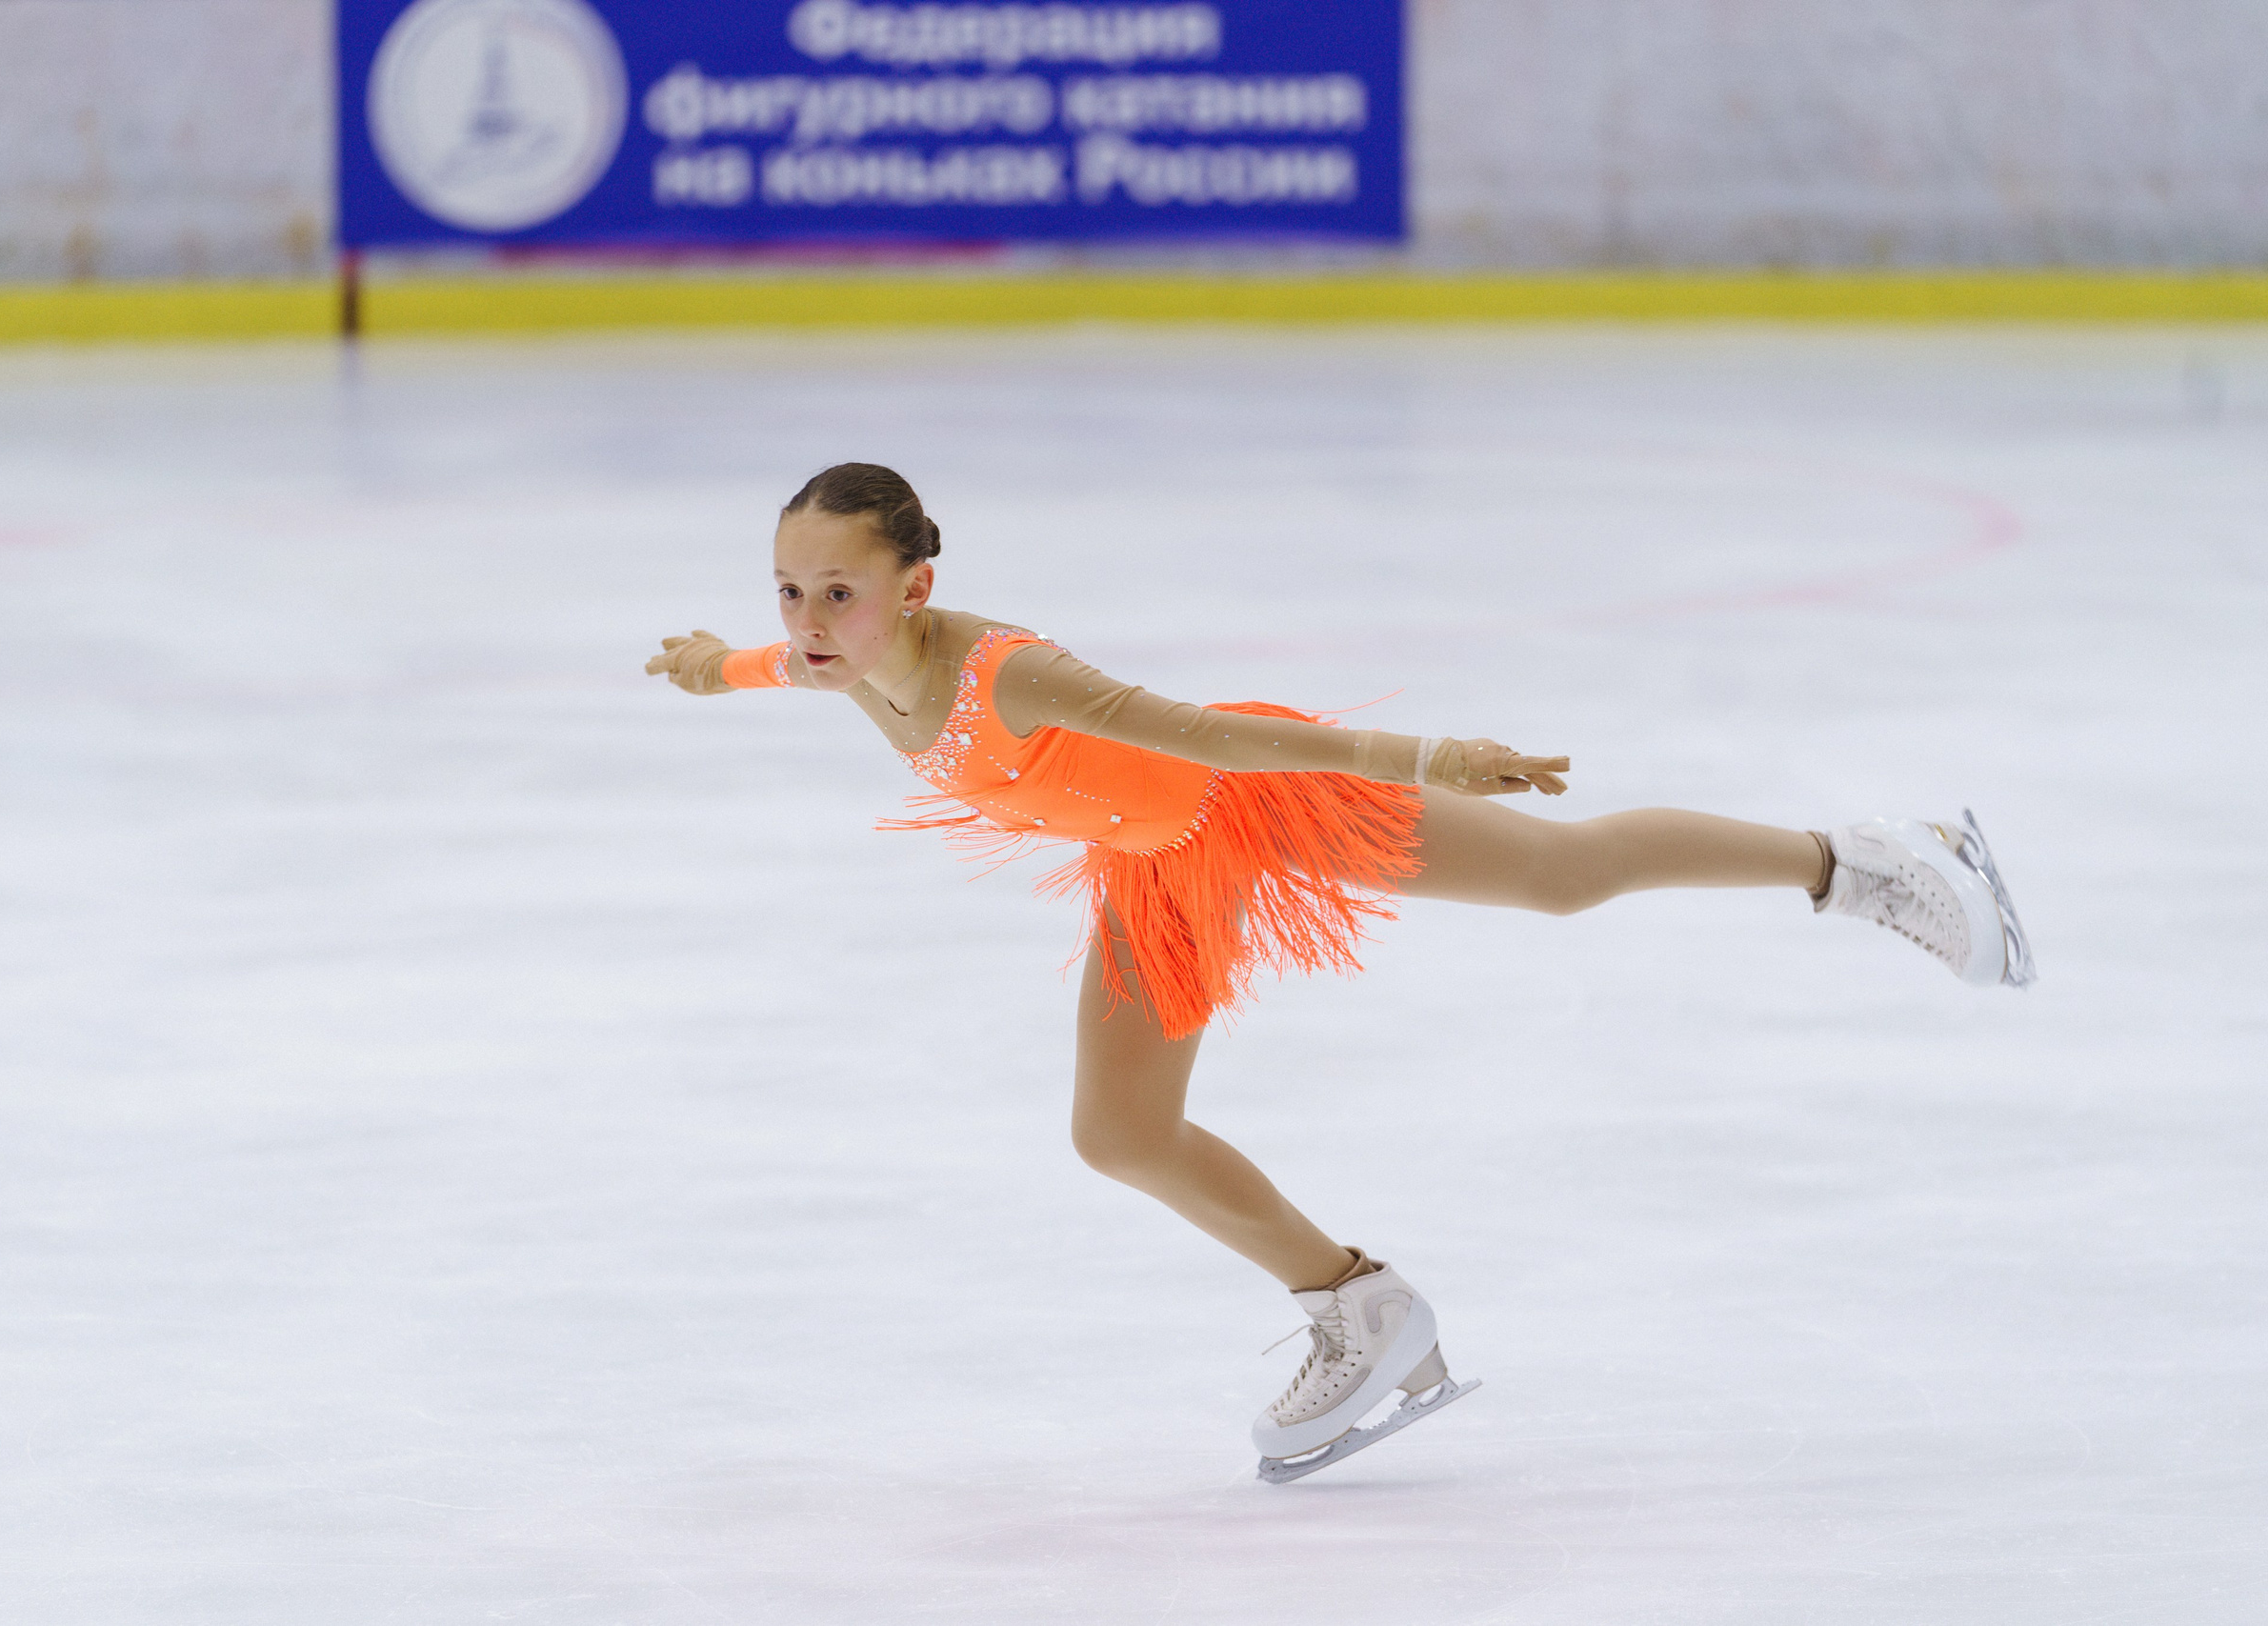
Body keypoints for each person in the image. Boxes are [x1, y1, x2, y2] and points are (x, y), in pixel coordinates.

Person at [647, 462, 2036, 1482]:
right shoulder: (847, 659)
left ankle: (1868, 861)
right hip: (1159, 865)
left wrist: (1422, 757)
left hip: (1254, 798)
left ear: (916, 587)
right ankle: (1358, 1308)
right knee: (1118, 1133)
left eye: (838, 590)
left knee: (1561, 876)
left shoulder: (1009, 674)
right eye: (790, 590)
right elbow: (791, 667)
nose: (811, 617)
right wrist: (724, 666)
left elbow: (1210, 737)